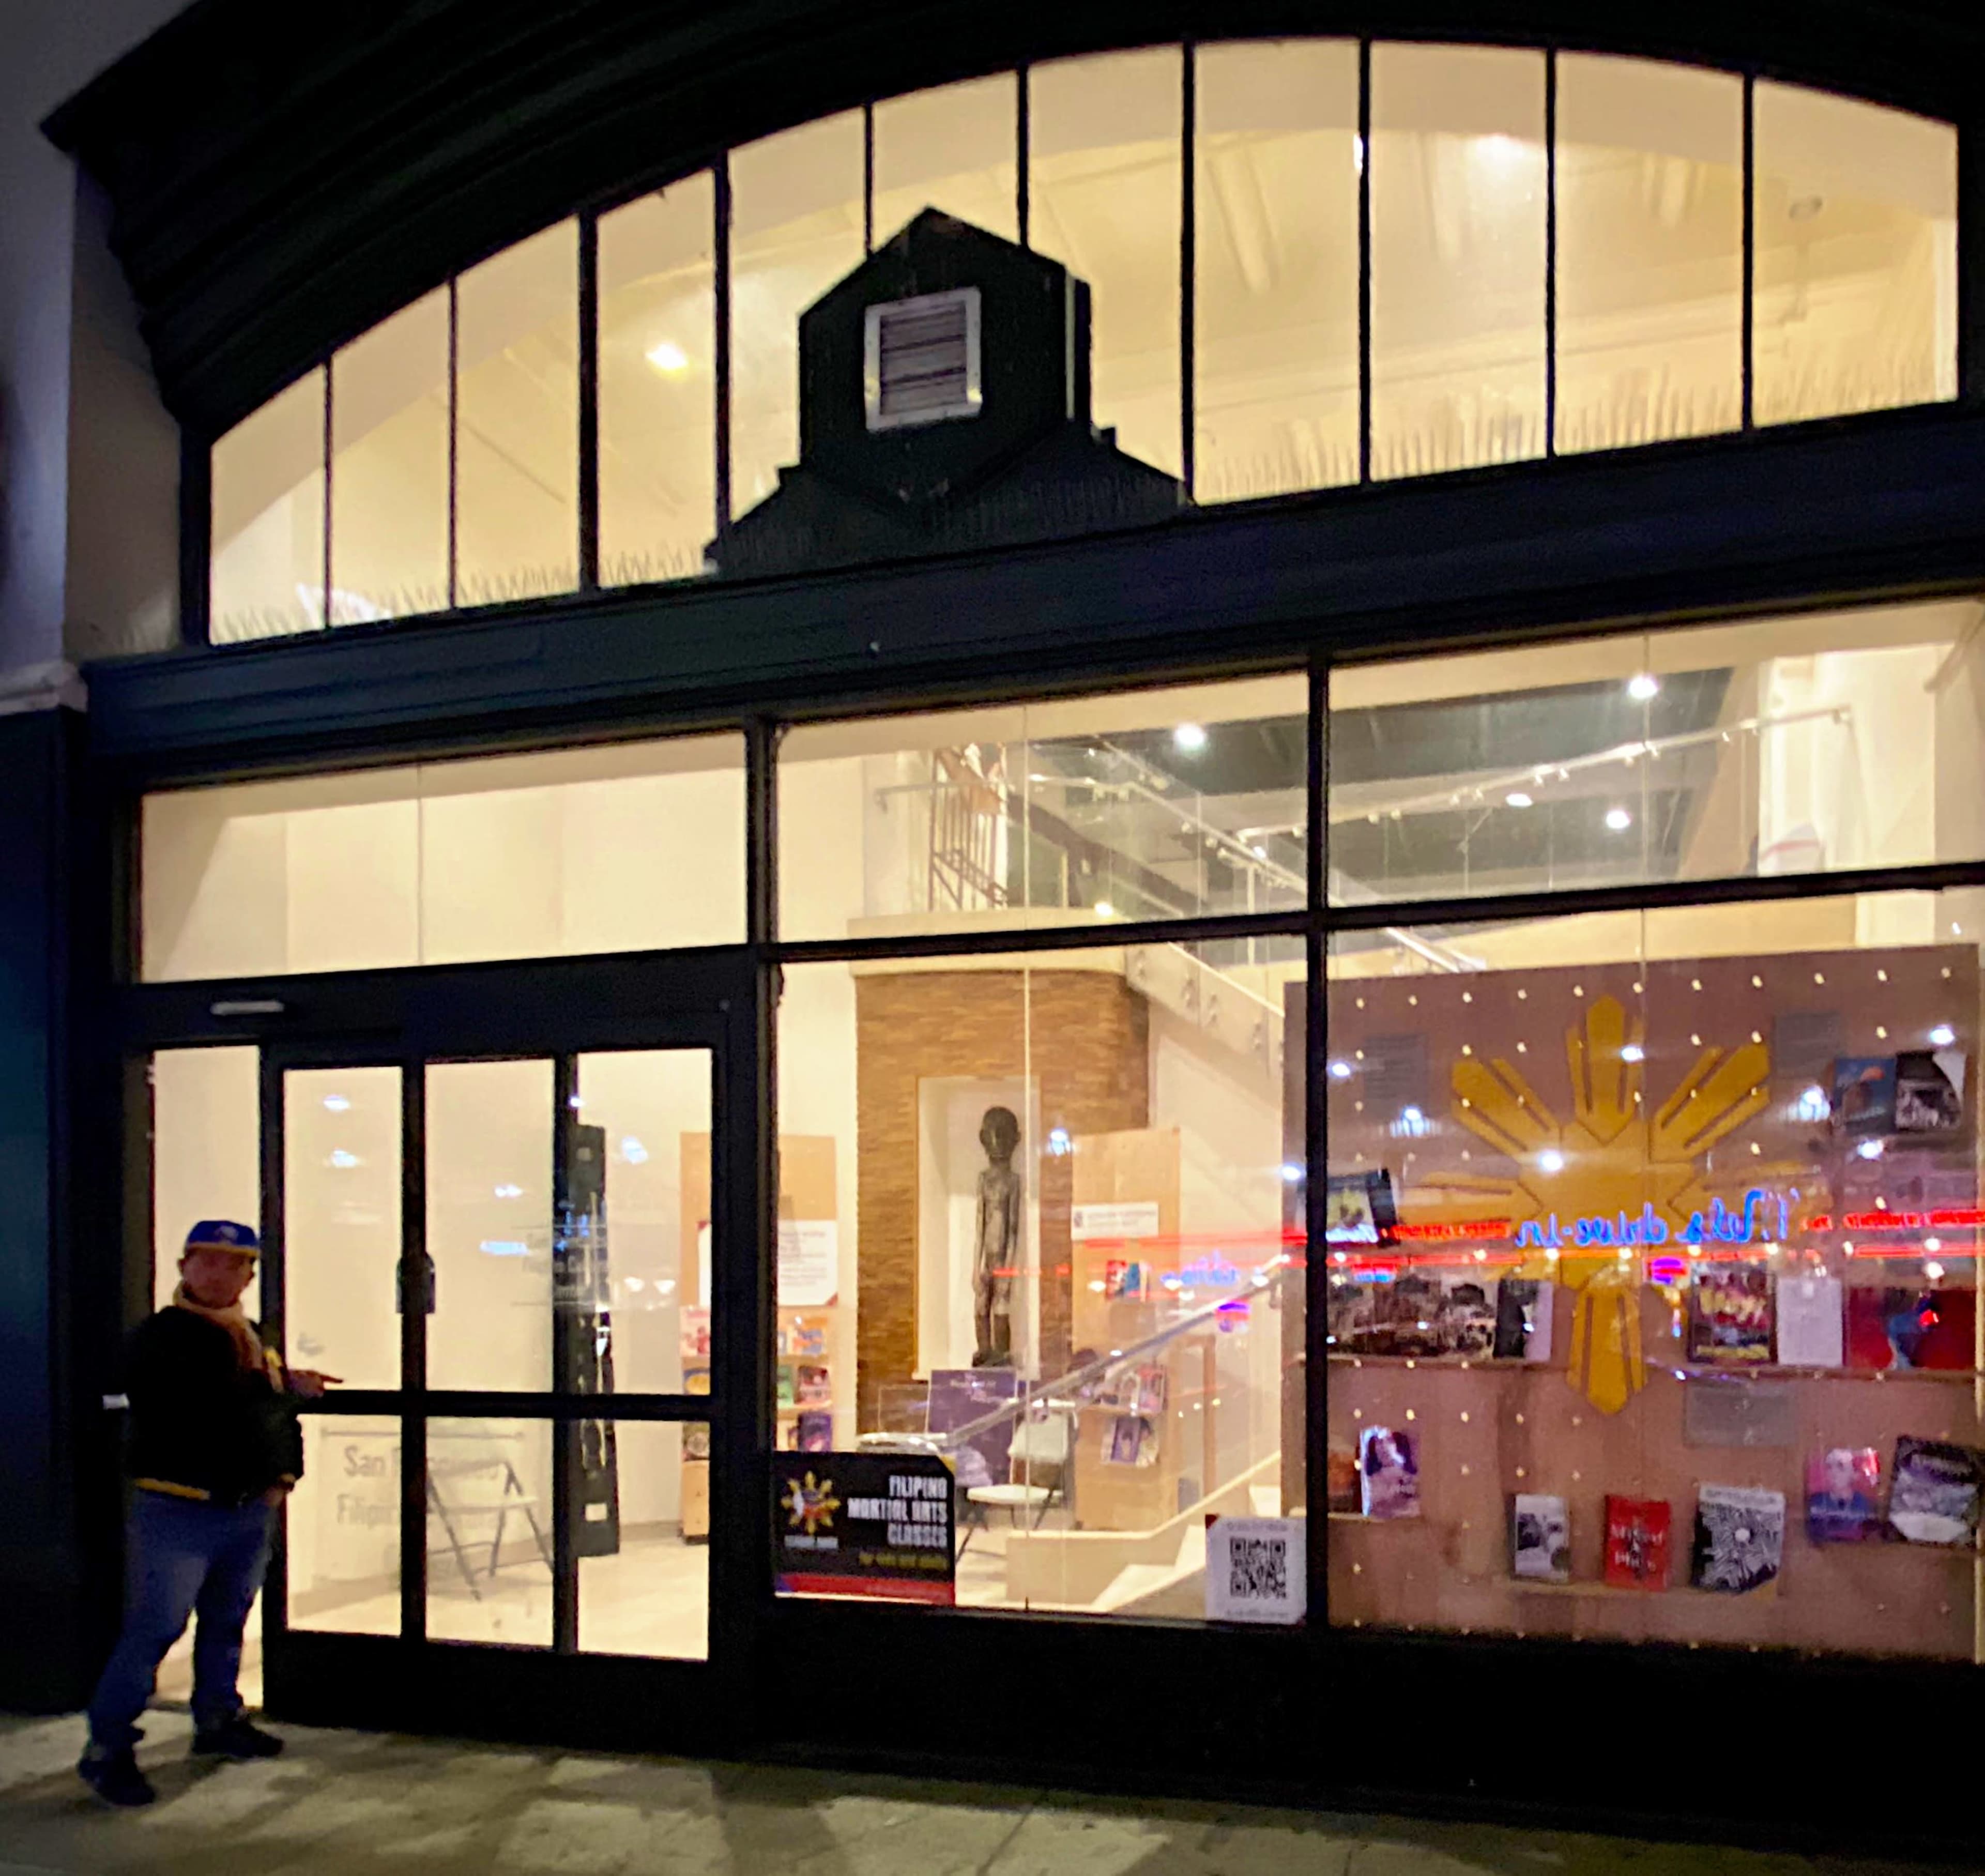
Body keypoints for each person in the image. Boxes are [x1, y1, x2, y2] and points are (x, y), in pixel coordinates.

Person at [78, 1222, 339, 1807]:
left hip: (246, 1509)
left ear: (249, 1275)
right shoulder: (163, 1336)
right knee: (155, 1628)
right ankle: (108, 1748)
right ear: (184, 1267)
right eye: (208, 1262)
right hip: (179, 1508)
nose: (220, 1274)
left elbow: (271, 1419)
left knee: (227, 1620)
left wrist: (283, 1476)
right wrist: (283, 1387)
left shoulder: (252, 1335)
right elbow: (207, 1404)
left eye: (234, 1264)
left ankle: (218, 1719)